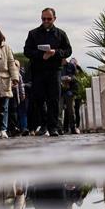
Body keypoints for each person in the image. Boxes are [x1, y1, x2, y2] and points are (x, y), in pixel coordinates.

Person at [23, 8, 72, 137]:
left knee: (54, 100)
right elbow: (27, 51)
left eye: (49, 19)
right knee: (38, 99)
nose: (46, 21)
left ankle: (53, 127)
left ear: (54, 18)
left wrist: (55, 53)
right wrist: (41, 55)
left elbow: (68, 51)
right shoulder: (33, 34)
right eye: (43, 18)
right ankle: (43, 124)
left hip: (54, 71)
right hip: (38, 71)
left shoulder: (61, 34)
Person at [60, 57, 80, 134]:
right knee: (59, 110)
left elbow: (75, 78)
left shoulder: (71, 66)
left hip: (69, 91)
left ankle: (73, 128)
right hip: (60, 92)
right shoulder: (57, 66)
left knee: (71, 111)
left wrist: (70, 78)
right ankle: (59, 129)